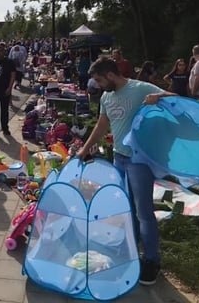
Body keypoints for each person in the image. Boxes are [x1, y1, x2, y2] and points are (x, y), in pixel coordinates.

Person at [75, 57, 176, 285]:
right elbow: (102, 125)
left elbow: (177, 99)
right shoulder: (107, 97)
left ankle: (151, 260)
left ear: (111, 75)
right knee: (126, 206)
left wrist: (159, 97)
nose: (98, 85)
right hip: (119, 157)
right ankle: (131, 247)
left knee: (143, 211)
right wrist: (85, 149)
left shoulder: (140, 88)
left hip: (139, 160)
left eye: (100, 80)